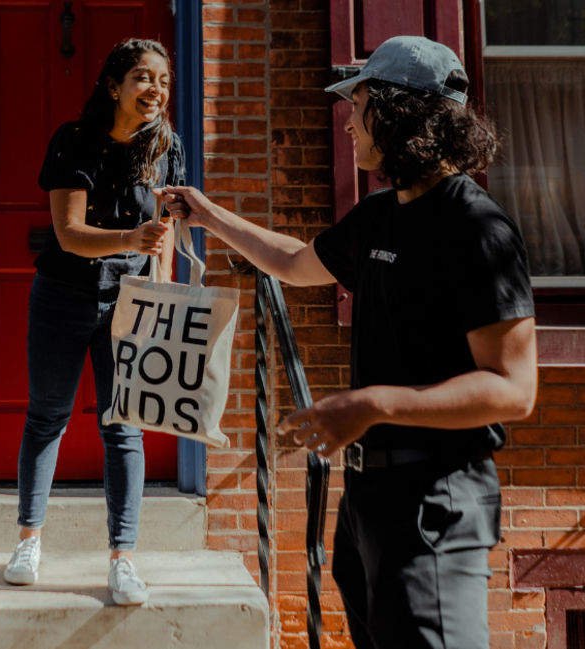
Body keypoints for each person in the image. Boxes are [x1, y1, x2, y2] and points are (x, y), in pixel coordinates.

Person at [158, 35, 537, 648]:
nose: (347, 126)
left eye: (356, 107)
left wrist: (372, 404)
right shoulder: (381, 214)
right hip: (368, 497)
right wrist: (209, 216)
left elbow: (513, 389)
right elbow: (297, 261)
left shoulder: (478, 228)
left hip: (435, 500)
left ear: (397, 112)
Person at [3, 38, 185, 607]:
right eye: (141, 77)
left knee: (123, 425)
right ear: (113, 85)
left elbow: (168, 231)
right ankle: (29, 542)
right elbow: (69, 233)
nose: (154, 88)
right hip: (63, 294)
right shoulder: (74, 141)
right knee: (47, 416)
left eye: (162, 79)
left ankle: (123, 558)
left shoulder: (167, 146)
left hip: (131, 301)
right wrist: (132, 238)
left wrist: (164, 292)